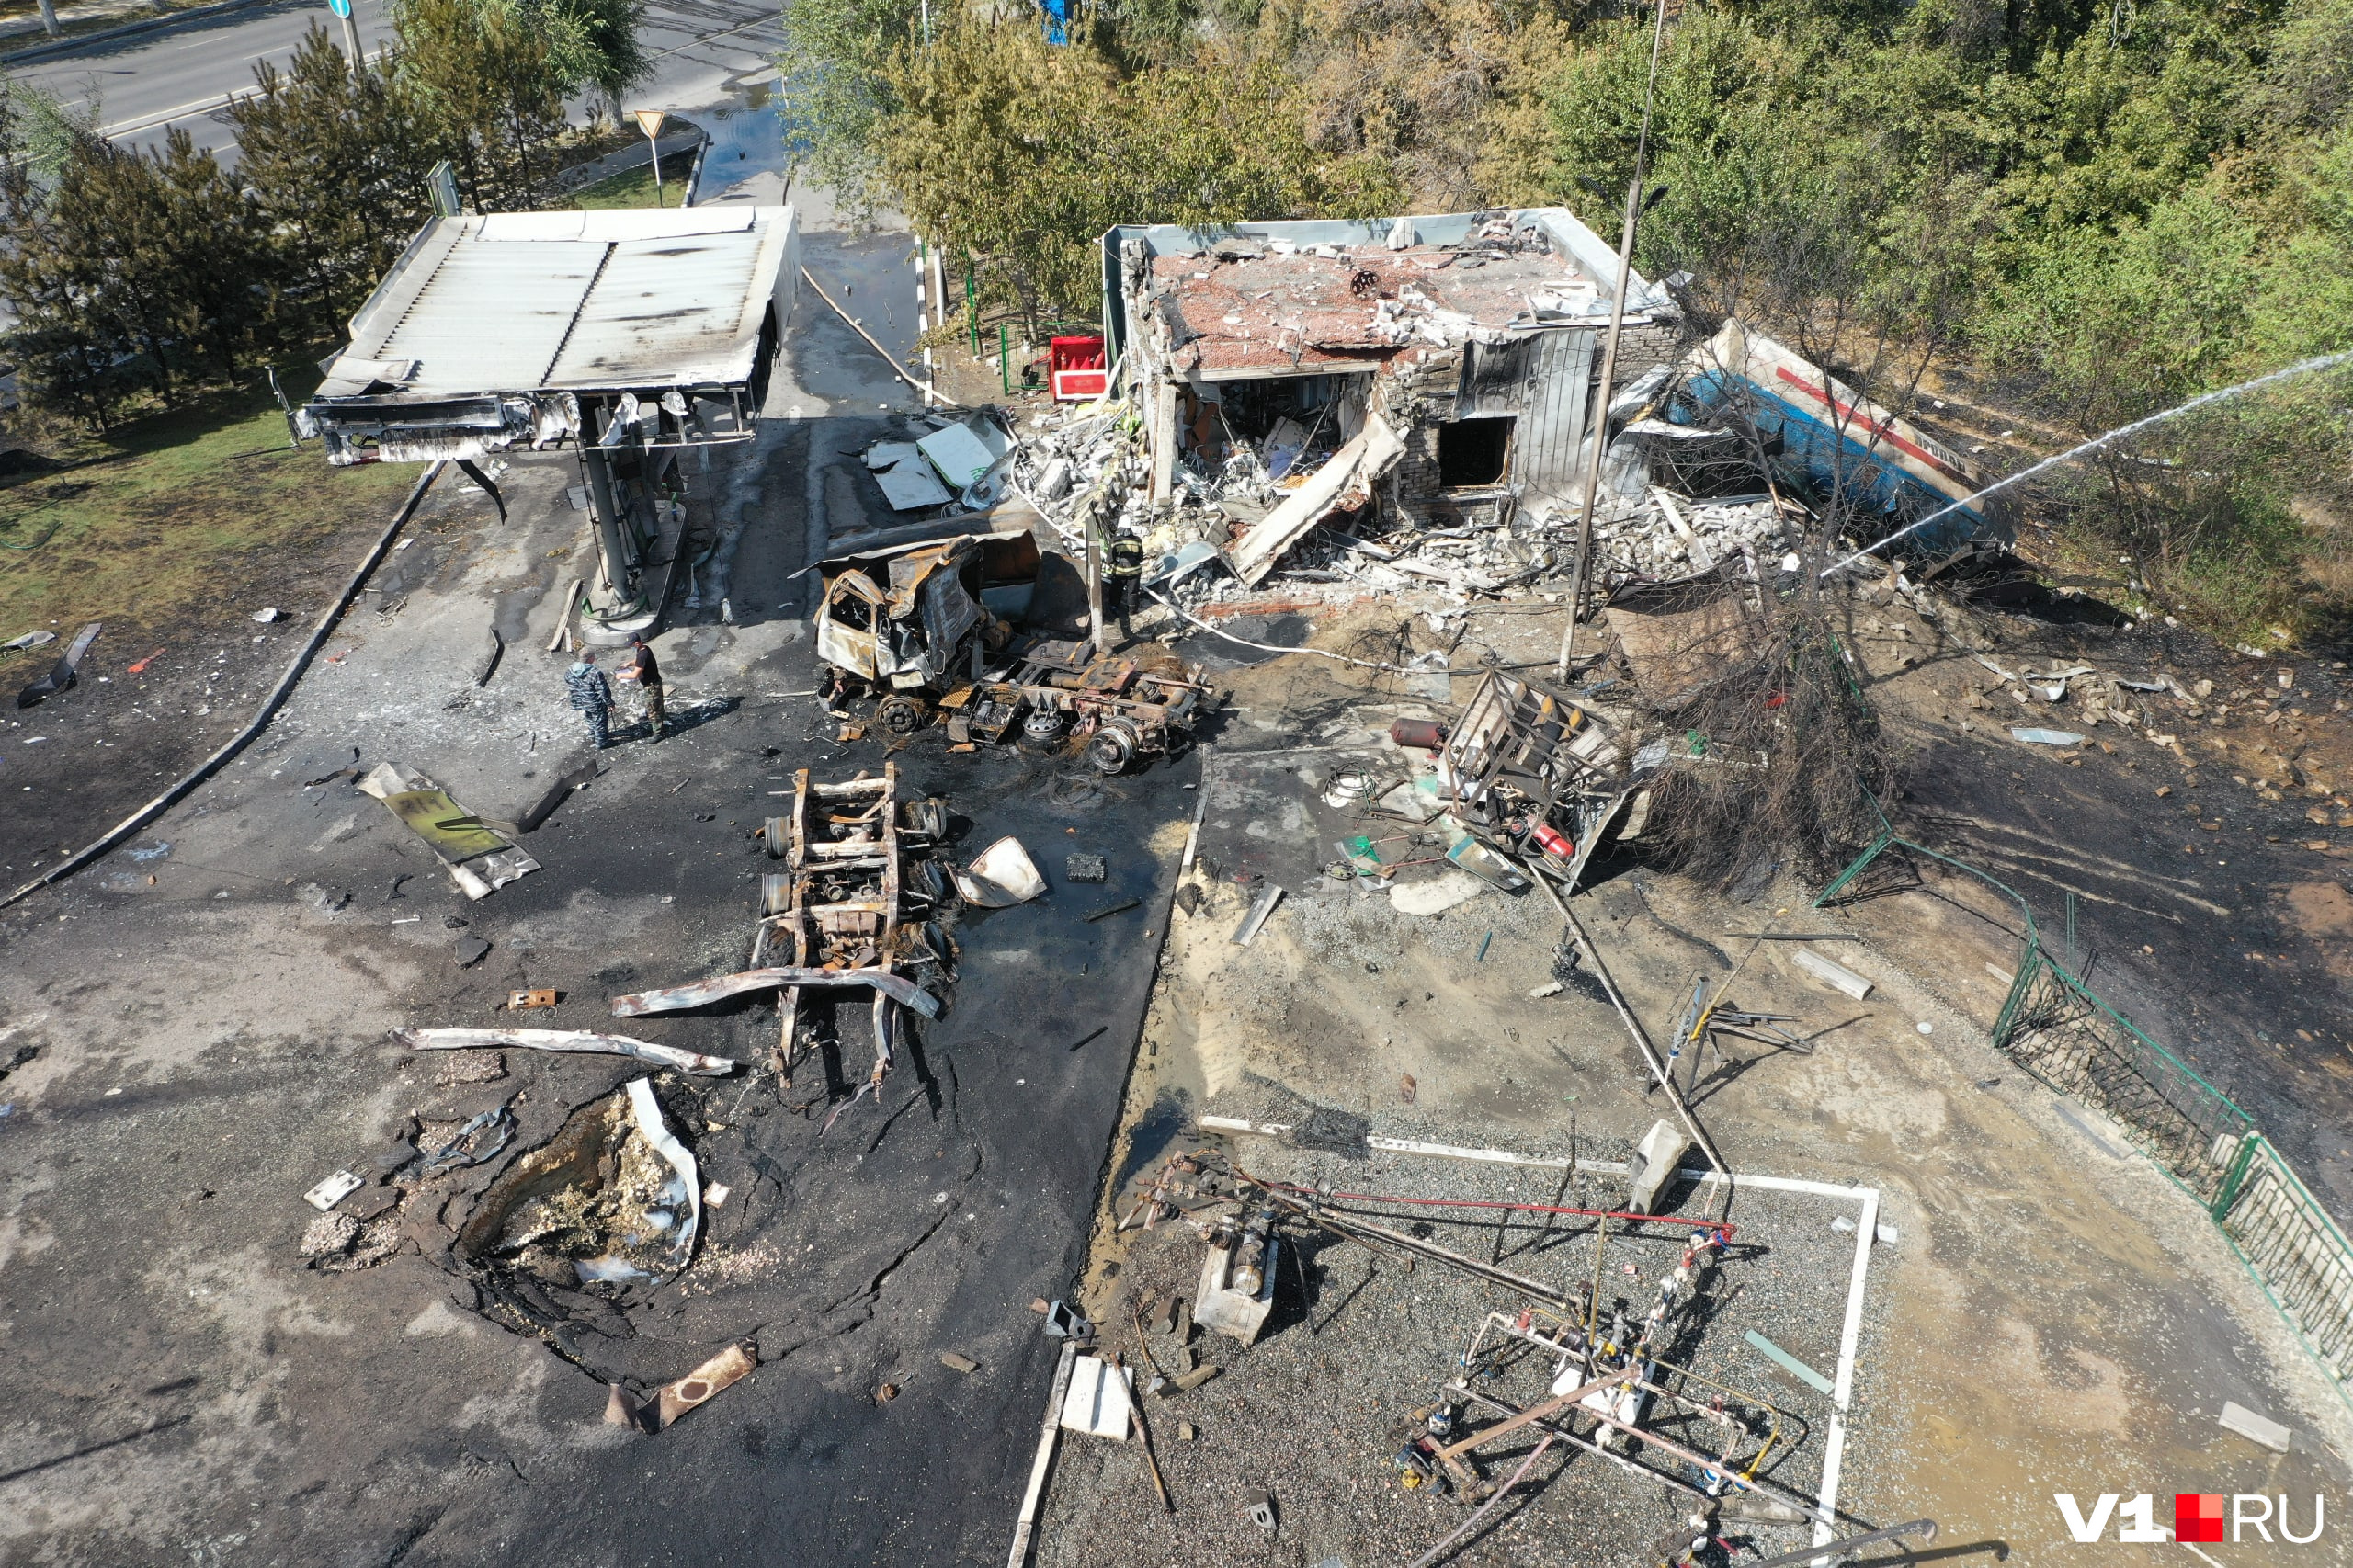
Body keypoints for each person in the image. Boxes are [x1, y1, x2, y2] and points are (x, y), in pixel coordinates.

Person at [564, 651, 614, 750]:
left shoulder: (571, 669)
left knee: (589, 717)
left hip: (580, 701)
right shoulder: (595, 673)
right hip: (594, 702)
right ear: (591, 658)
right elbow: (603, 691)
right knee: (600, 721)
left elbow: (567, 679)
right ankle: (601, 742)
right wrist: (610, 703)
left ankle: (592, 736)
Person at [1105, 525, 1144, 642]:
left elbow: (1110, 559)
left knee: (1116, 590)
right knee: (1133, 591)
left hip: (1120, 571)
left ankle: (1114, 608)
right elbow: (1141, 558)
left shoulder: (1115, 541)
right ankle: (1132, 610)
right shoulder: (1137, 540)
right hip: (1134, 571)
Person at [627, 633, 665, 741]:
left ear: (637, 643)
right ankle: (659, 722)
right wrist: (629, 663)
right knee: (656, 704)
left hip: (652, 686)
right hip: (653, 683)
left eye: (631, 645)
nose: (630, 647)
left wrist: (620, 675)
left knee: (653, 709)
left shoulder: (643, 654)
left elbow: (634, 675)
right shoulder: (644, 649)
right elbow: (639, 662)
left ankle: (658, 732)